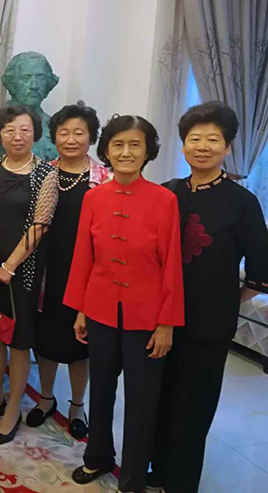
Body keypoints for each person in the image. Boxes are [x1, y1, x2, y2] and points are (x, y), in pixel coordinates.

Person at [149, 102, 268, 493]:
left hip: (209, 323)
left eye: (213, 139)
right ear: (182, 145)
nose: (202, 146)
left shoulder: (243, 202)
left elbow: (261, 271)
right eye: (194, 138)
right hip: (160, 317)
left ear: (228, 147)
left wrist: (227, 300)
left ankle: (181, 483)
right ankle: (158, 469)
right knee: (160, 398)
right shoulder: (168, 193)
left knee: (194, 406)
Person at [65, 114, 184, 492]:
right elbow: (84, 255)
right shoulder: (93, 198)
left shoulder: (165, 200)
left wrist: (166, 322)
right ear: (106, 151)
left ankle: (131, 477)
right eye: (118, 144)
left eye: (135, 145)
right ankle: (97, 456)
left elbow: (172, 267)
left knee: (142, 401)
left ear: (148, 151)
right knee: (100, 390)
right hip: (100, 309)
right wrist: (81, 308)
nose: (126, 152)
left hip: (146, 318)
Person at [0, 106, 58, 445]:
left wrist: (8, 267)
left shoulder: (44, 173)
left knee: (19, 340)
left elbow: (41, 224)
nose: (17, 136)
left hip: (22, 271)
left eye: (24, 129)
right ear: (0, 134)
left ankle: (13, 409)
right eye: (9, 129)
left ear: (35, 134)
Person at [28, 101, 110, 439]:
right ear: (54, 136)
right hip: (46, 270)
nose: (71, 139)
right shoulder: (42, 172)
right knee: (45, 340)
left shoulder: (103, 178)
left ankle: (77, 406)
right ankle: (46, 398)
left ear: (91, 137)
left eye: (79, 132)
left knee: (80, 344)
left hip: (86, 272)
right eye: (64, 132)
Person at [0, 52, 59, 161]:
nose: (34, 86)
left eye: (40, 78)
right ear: (12, 83)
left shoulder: (54, 127)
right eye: (26, 78)